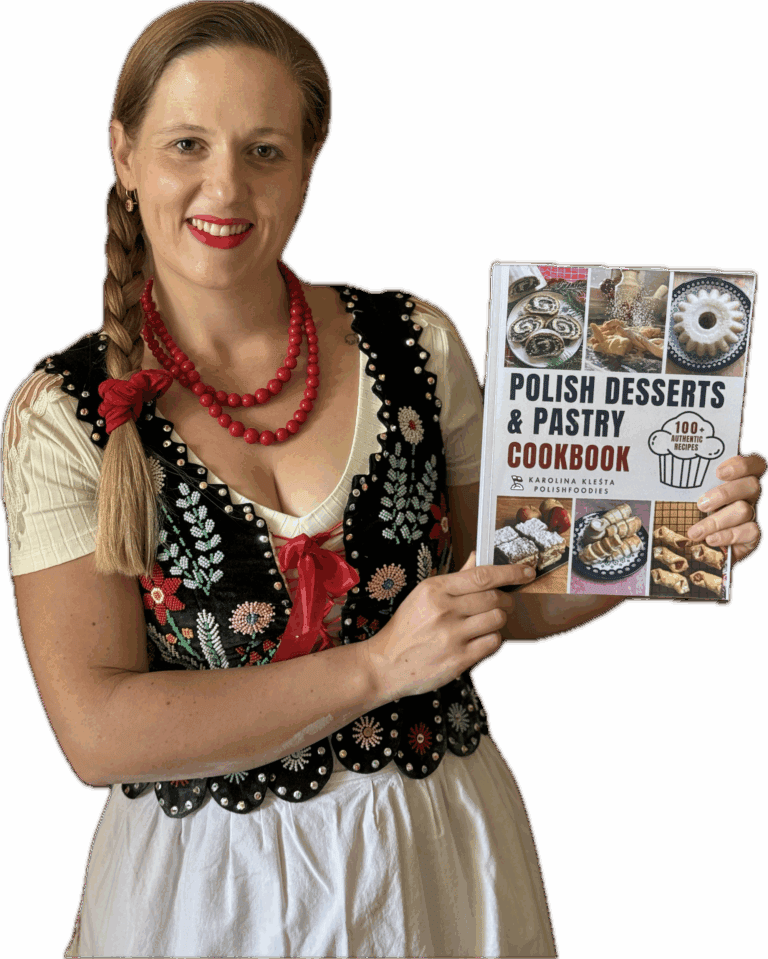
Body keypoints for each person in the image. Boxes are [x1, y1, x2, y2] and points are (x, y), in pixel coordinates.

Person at [2, 2, 763, 957]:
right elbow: (97, 731)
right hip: (204, 893)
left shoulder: (415, 344)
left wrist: (665, 533)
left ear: (307, 168)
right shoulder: (63, 413)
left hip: (432, 855)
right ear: (124, 155)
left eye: (265, 151)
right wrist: (378, 666)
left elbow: (508, 590)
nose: (225, 185)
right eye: (187, 144)